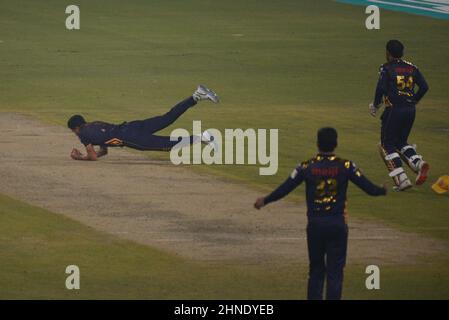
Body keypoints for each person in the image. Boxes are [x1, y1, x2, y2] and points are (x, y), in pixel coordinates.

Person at [254, 127, 387, 300]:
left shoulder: (306, 167)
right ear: (336, 143)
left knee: (316, 271)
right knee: (335, 273)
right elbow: (368, 188)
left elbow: (285, 188)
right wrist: (382, 191)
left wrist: (265, 200)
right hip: (337, 225)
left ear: (317, 144)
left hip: (315, 225)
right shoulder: (346, 166)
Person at [67, 85, 219, 161]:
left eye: (73, 131)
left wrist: (79, 157)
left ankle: (203, 137)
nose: (74, 133)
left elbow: (92, 157)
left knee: (167, 145)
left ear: (76, 128)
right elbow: (103, 151)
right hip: (132, 126)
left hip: (131, 138)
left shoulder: (83, 134)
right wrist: (96, 152)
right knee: (168, 117)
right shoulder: (95, 125)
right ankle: (196, 96)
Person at [369, 40, 429, 191]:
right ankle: (418, 163)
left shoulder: (386, 68)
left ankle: (402, 179)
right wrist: (413, 100)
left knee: (386, 144)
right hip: (410, 109)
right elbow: (424, 86)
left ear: (388, 53)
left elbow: (381, 87)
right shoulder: (412, 67)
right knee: (400, 141)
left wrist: (375, 105)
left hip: (394, 110)